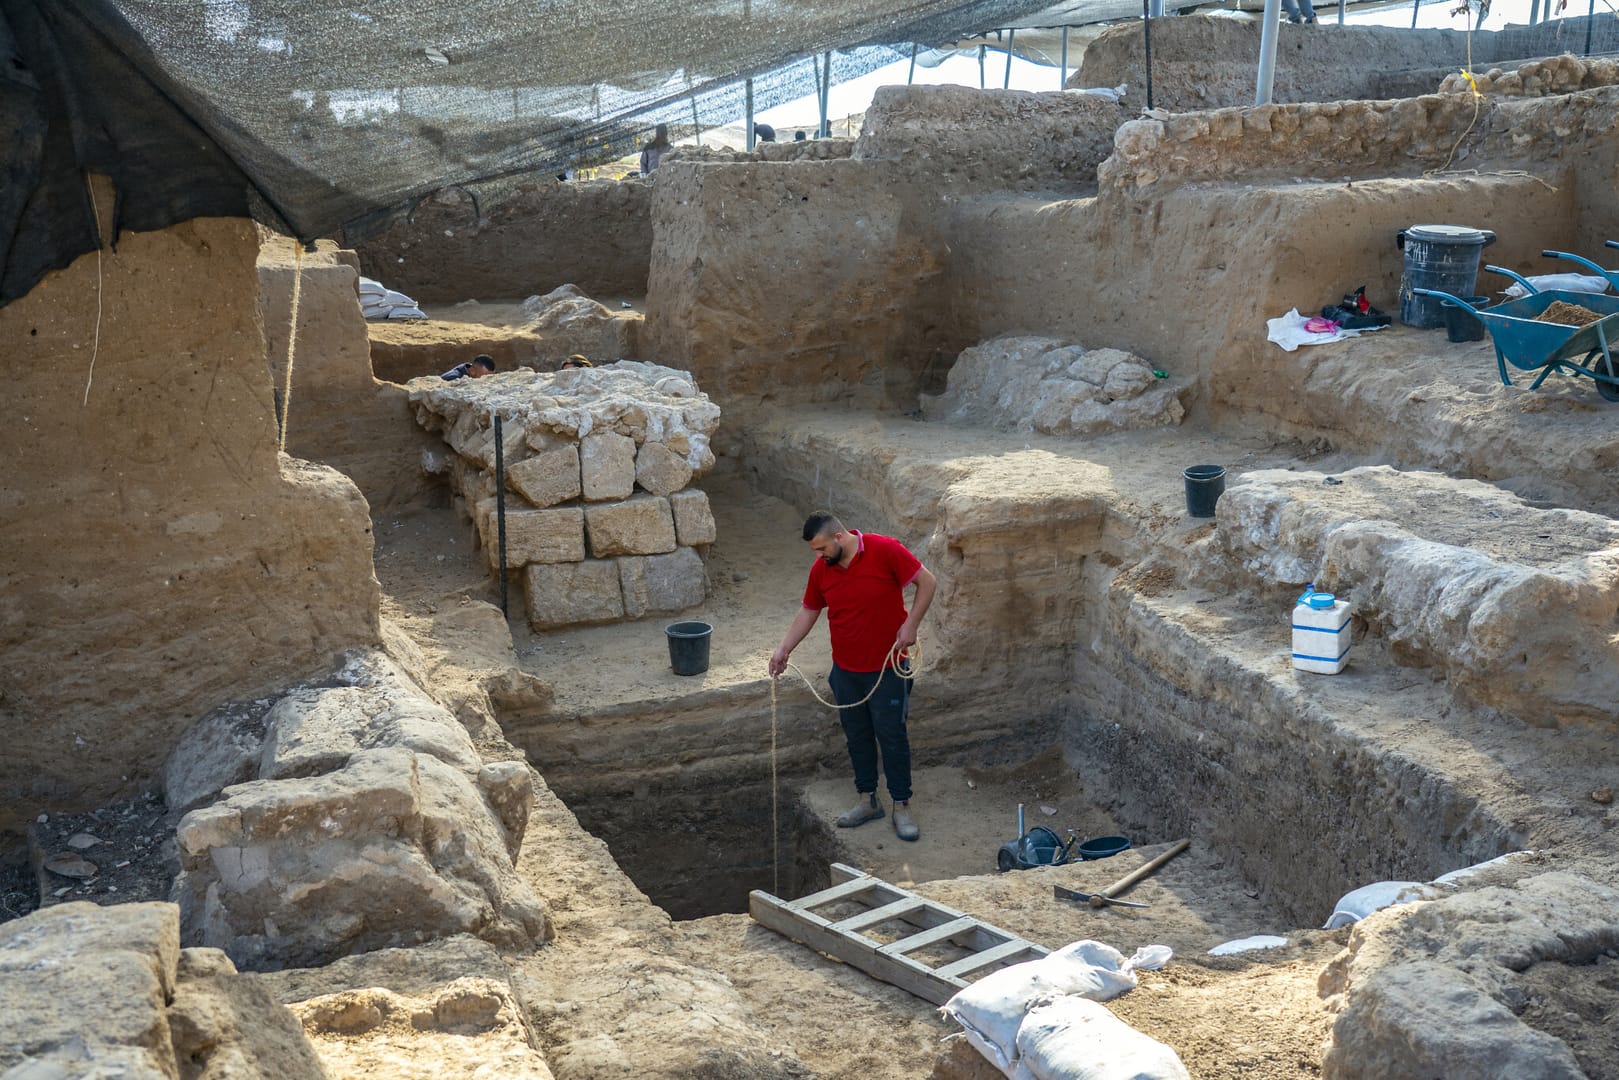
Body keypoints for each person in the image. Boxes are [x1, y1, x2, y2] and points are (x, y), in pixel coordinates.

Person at [769, 512, 937, 842]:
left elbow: (927, 582)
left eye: (821, 548)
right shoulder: (822, 570)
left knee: (892, 736)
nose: (817, 557)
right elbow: (809, 610)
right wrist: (783, 649)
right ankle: (867, 800)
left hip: (890, 669)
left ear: (839, 538)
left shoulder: (885, 550)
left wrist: (911, 625)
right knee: (857, 735)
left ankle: (901, 806)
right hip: (845, 672)